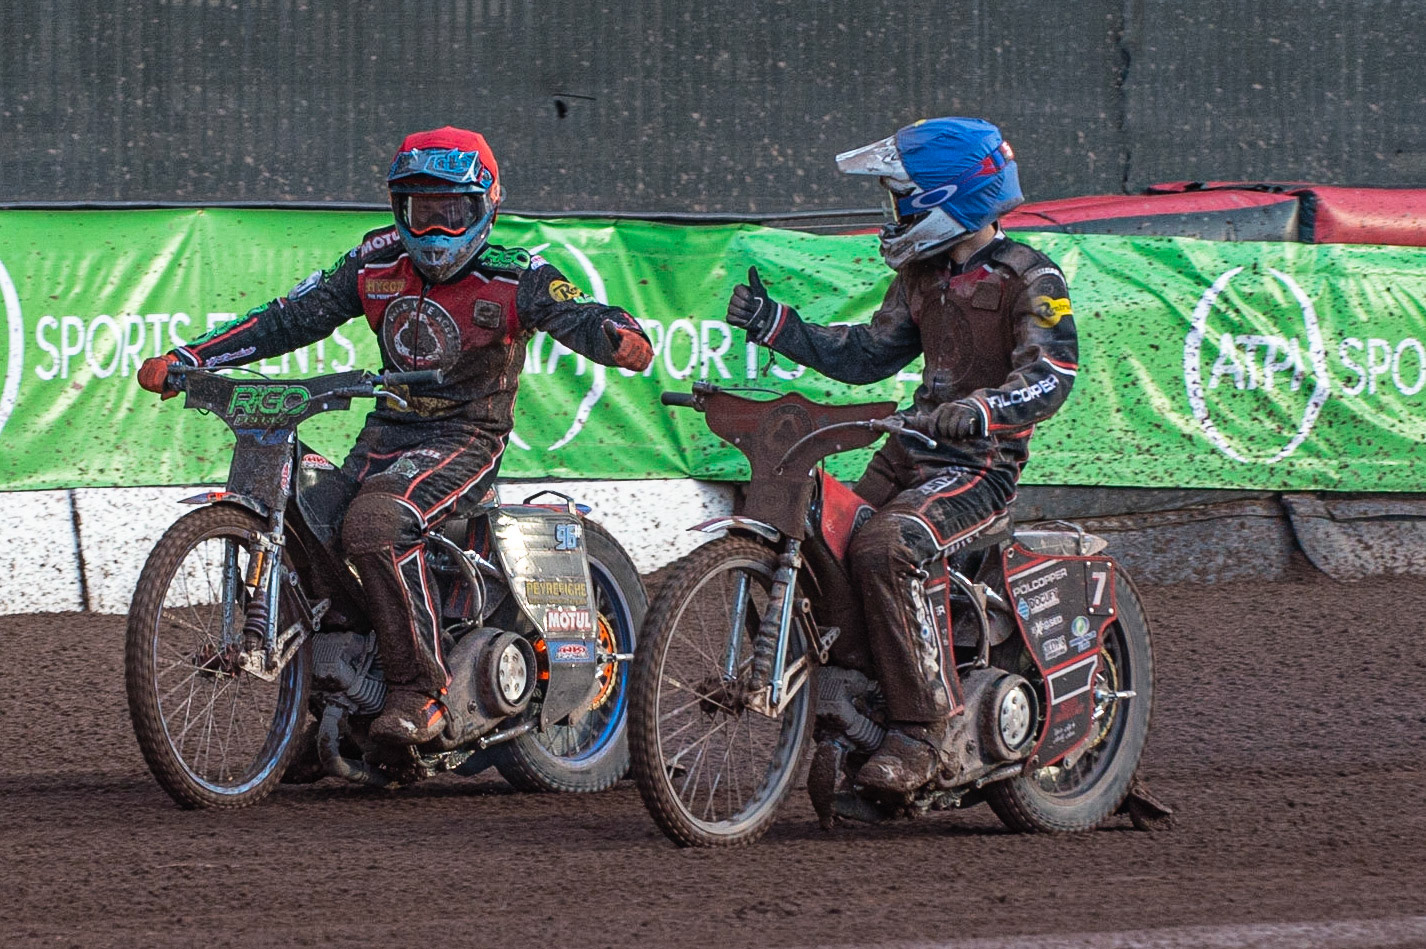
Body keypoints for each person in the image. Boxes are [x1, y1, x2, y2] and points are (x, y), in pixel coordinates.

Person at [138, 126, 653, 745]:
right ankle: (329, 702)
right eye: (420, 211)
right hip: (386, 430)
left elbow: (583, 314)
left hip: (467, 437)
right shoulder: (373, 261)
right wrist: (192, 357)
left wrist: (616, 336)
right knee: (308, 520)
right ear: (398, 209)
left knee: (375, 523)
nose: (434, 229)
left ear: (485, 205)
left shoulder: (519, 277)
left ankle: (423, 690)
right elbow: (289, 317)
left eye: (450, 212)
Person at [724, 117, 1078, 795]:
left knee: (888, 545)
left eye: (903, 199)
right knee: (822, 537)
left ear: (950, 196)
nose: (893, 214)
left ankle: (925, 733)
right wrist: (781, 327)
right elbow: (867, 354)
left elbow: (1052, 373)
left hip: (980, 466)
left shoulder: (1032, 275)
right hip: (909, 451)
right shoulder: (920, 276)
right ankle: (858, 705)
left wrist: (981, 410)